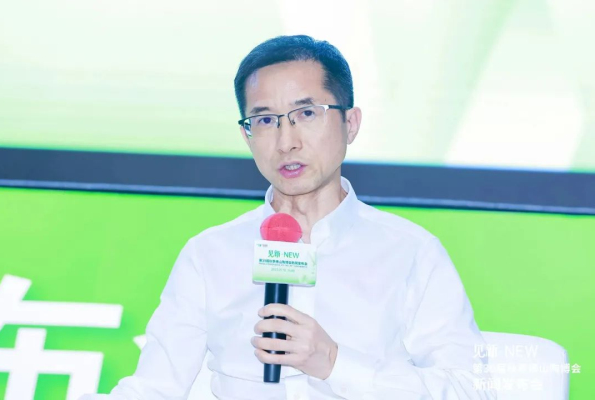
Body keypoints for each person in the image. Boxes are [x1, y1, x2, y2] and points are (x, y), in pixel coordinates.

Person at [81, 35, 496, 399]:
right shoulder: (209, 255)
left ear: (350, 123)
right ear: (247, 135)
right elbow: (153, 389)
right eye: (265, 120)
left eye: (307, 113)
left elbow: (470, 391)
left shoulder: (410, 252)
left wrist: (333, 362)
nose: (286, 142)